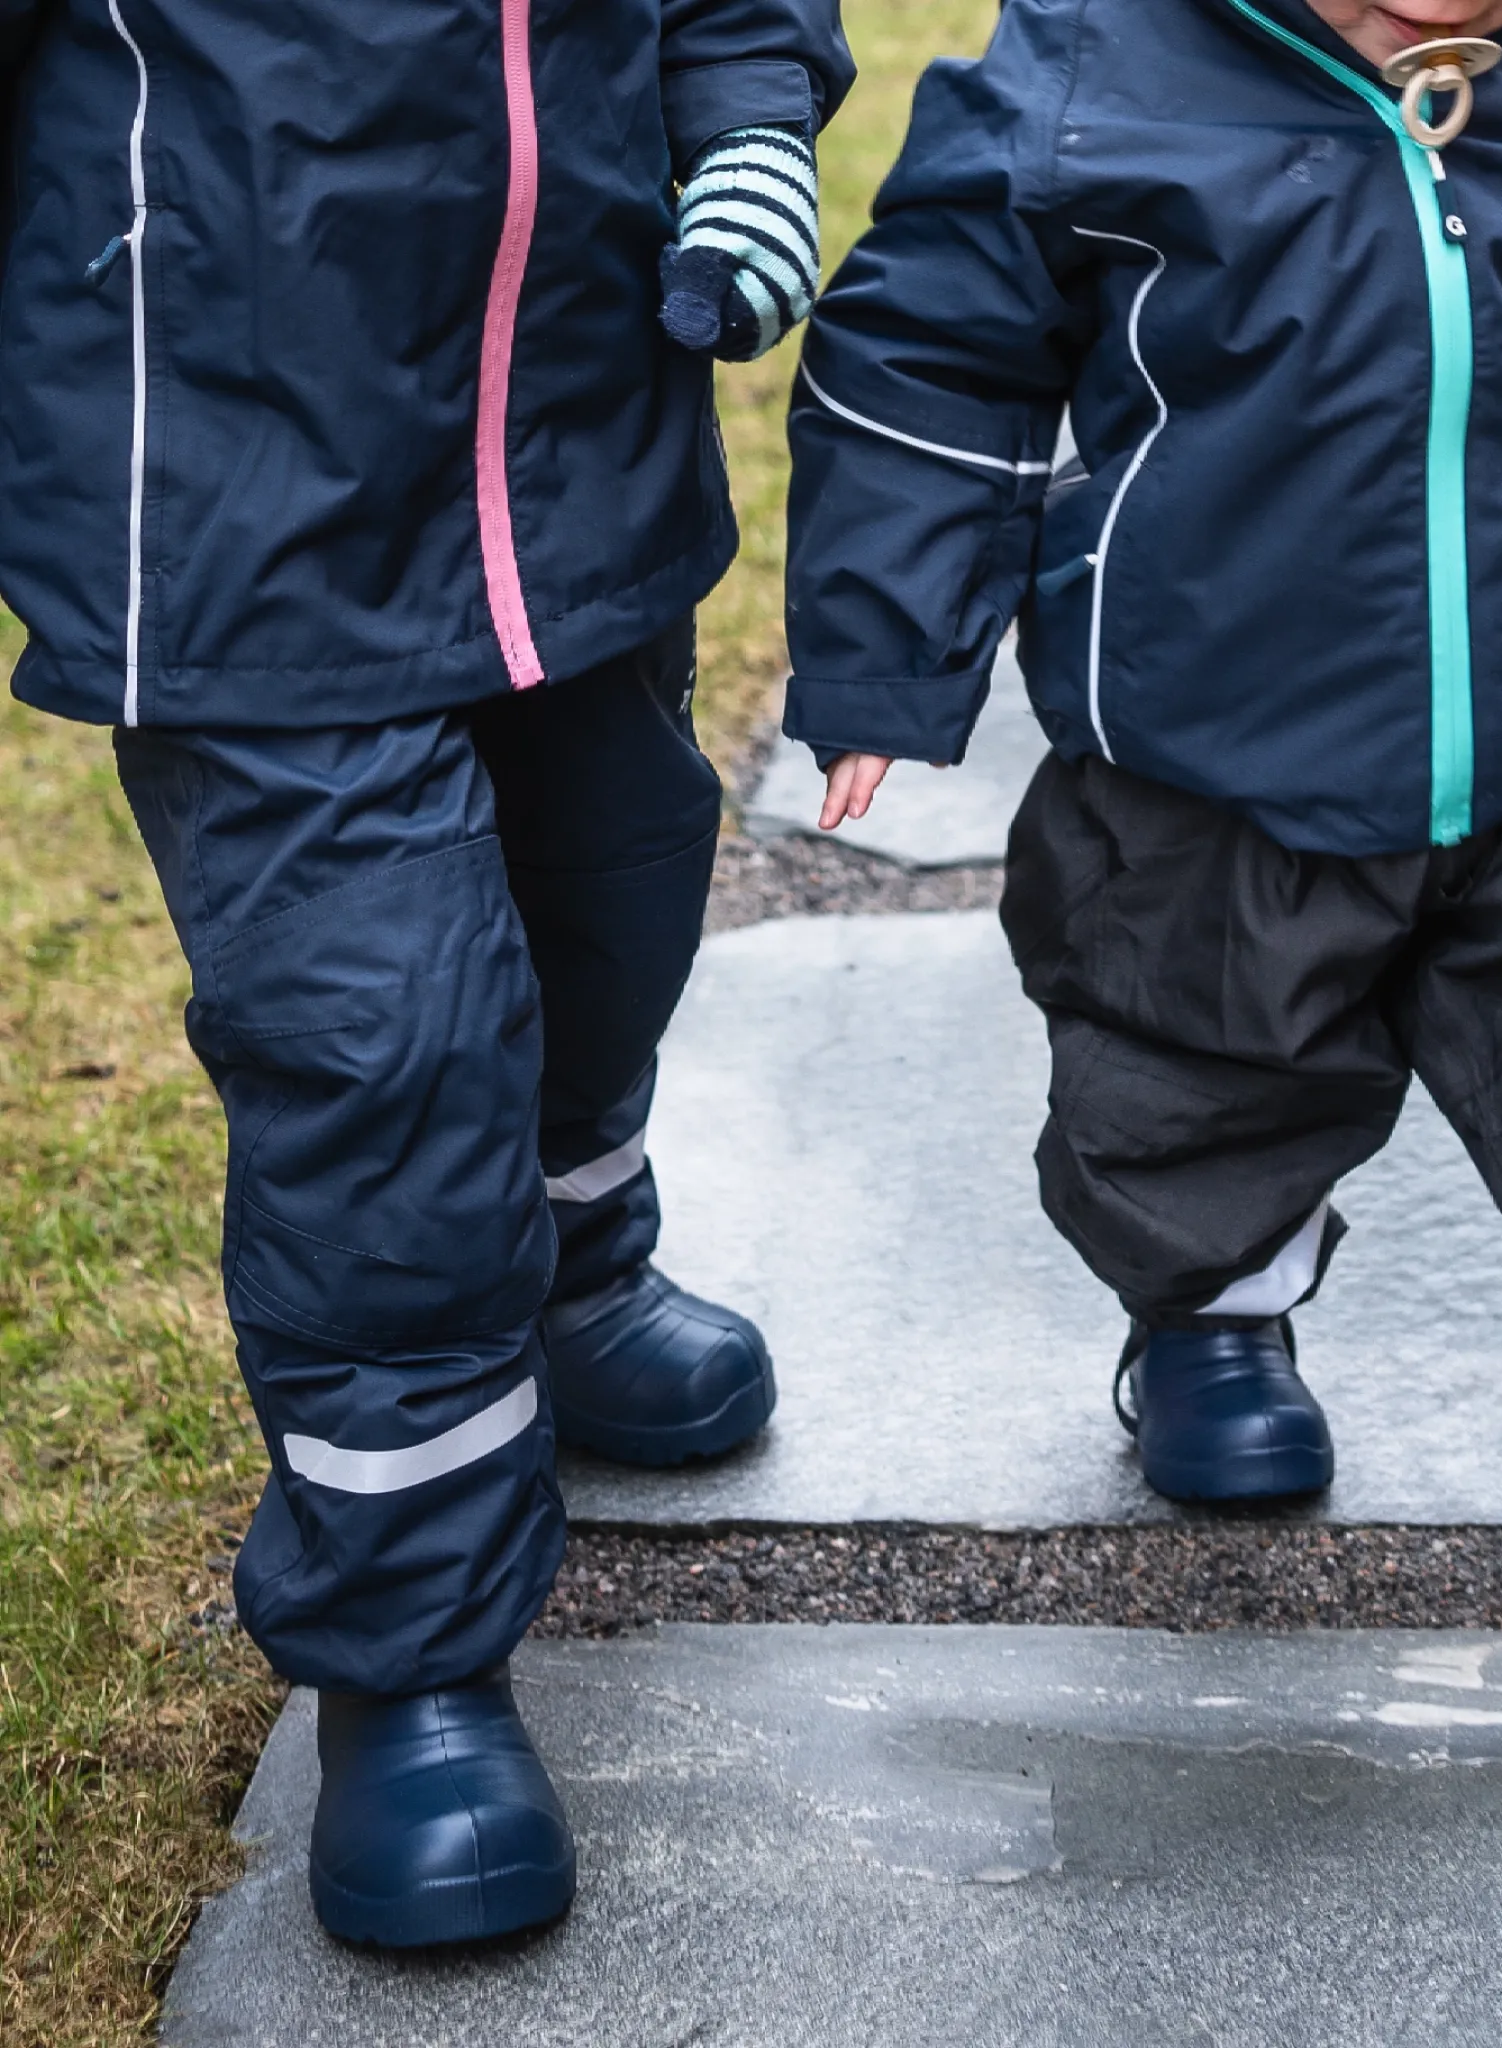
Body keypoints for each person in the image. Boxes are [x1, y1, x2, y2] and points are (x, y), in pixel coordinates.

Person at [782, 0, 1502, 1556]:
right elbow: (928, 362)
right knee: (1194, 1065)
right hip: (1213, 737)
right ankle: (1210, 1334)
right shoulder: (1091, 77)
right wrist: (887, 658)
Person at [0, 0, 851, 1947]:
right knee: (384, 1043)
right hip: (233, 488)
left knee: (610, 913)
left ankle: (573, 1268)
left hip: (569, 454)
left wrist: (746, 123)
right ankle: (411, 1657)